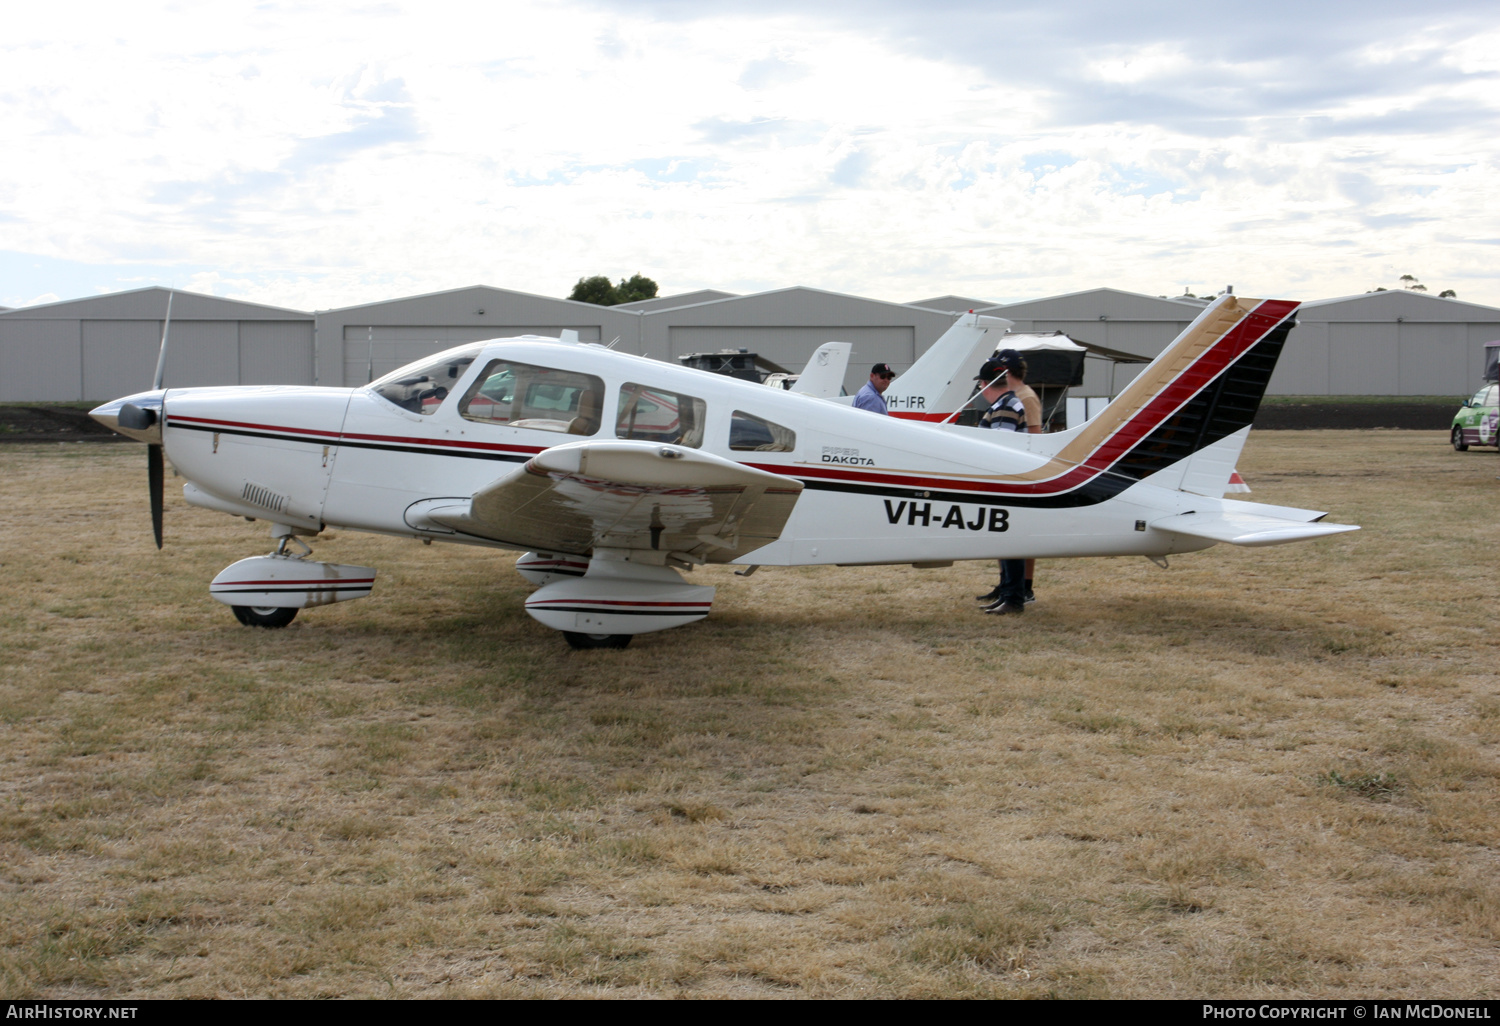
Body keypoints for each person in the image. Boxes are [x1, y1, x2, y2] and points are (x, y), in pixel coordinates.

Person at [972, 350, 1041, 615]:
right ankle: (1009, 593)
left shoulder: (1004, 407)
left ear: (986, 384)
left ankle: (1014, 597)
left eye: (980, 383)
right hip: (1011, 483)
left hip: (1007, 484)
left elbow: (999, 449)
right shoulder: (1009, 403)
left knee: (1010, 540)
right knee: (1007, 541)